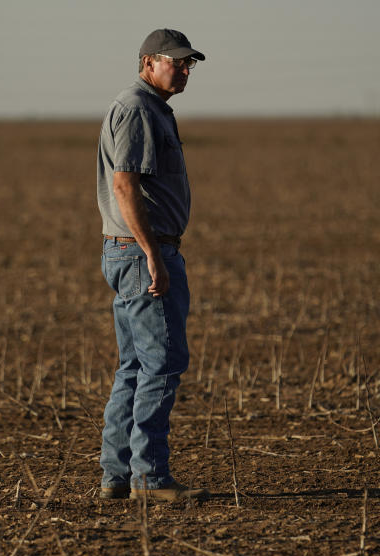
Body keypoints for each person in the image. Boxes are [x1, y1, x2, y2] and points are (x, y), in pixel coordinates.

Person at [96, 28, 209, 502]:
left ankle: (117, 476)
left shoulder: (152, 108)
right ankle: (149, 476)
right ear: (148, 63)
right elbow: (125, 185)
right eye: (175, 62)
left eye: (189, 64)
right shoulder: (139, 109)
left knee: (136, 366)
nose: (184, 70)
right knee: (161, 365)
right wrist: (151, 255)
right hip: (144, 252)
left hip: (135, 250)